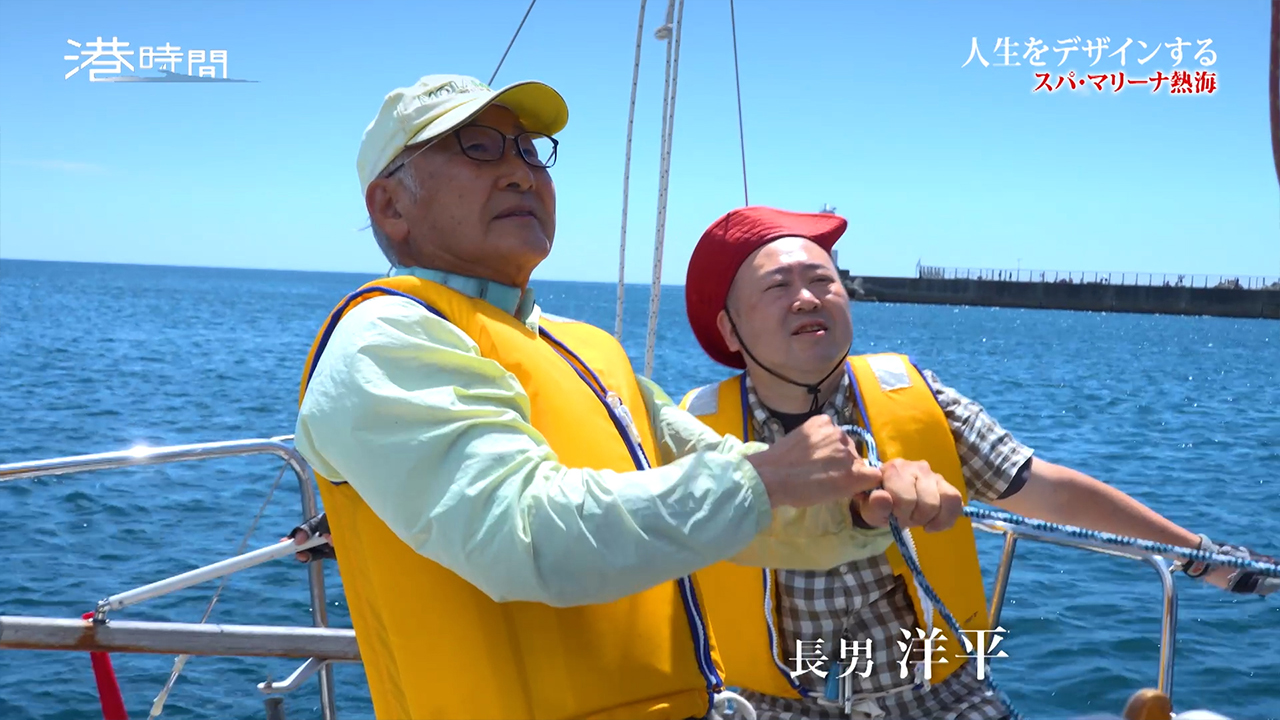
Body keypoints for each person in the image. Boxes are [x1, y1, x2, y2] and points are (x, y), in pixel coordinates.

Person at [289, 74, 963, 720]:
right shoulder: (384, 337)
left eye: (529, 150)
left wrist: (856, 506)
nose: (521, 172)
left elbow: (733, 487)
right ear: (391, 206)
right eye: (479, 147)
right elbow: (521, 532)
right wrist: (767, 476)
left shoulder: (584, 348)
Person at [676, 205, 1278, 720]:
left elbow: (1046, 491)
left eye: (822, 280)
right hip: (762, 706)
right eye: (778, 286)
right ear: (730, 329)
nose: (807, 297)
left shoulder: (919, 398)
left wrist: (1201, 556)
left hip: (944, 700)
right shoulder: (690, 435)